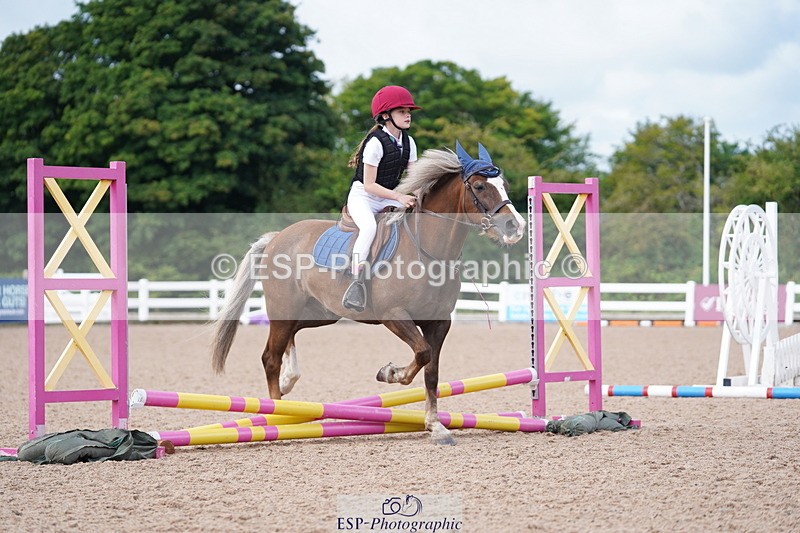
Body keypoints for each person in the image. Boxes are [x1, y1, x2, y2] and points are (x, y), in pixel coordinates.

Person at [341, 85, 420, 312]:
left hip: (390, 197)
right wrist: (399, 196)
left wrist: (418, 196)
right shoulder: (375, 143)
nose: (408, 115)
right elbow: (369, 184)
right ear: (386, 116)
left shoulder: (409, 142)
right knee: (368, 229)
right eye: (402, 111)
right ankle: (355, 283)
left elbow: (413, 178)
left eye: (409, 111)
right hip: (364, 197)